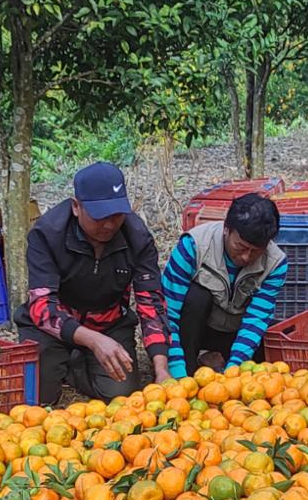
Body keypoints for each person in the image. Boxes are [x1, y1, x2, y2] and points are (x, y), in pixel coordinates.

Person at [16, 161, 170, 403]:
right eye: (100, 217)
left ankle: (77, 363)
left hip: (109, 322)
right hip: (55, 323)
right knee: (38, 395)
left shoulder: (138, 238)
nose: (109, 225)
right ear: (76, 207)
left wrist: (161, 369)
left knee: (121, 392)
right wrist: (93, 340)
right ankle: (69, 357)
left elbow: (151, 304)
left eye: (117, 215)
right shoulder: (47, 234)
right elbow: (42, 306)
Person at [161, 193, 288, 376]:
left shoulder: (275, 263)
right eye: (240, 247)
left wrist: (233, 371)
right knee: (196, 297)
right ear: (226, 229)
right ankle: (189, 366)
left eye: (256, 252)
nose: (246, 257)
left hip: (236, 332)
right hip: (197, 329)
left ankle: (216, 361)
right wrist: (177, 371)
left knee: (268, 340)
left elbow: (256, 319)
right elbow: (168, 313)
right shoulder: (194, 246)